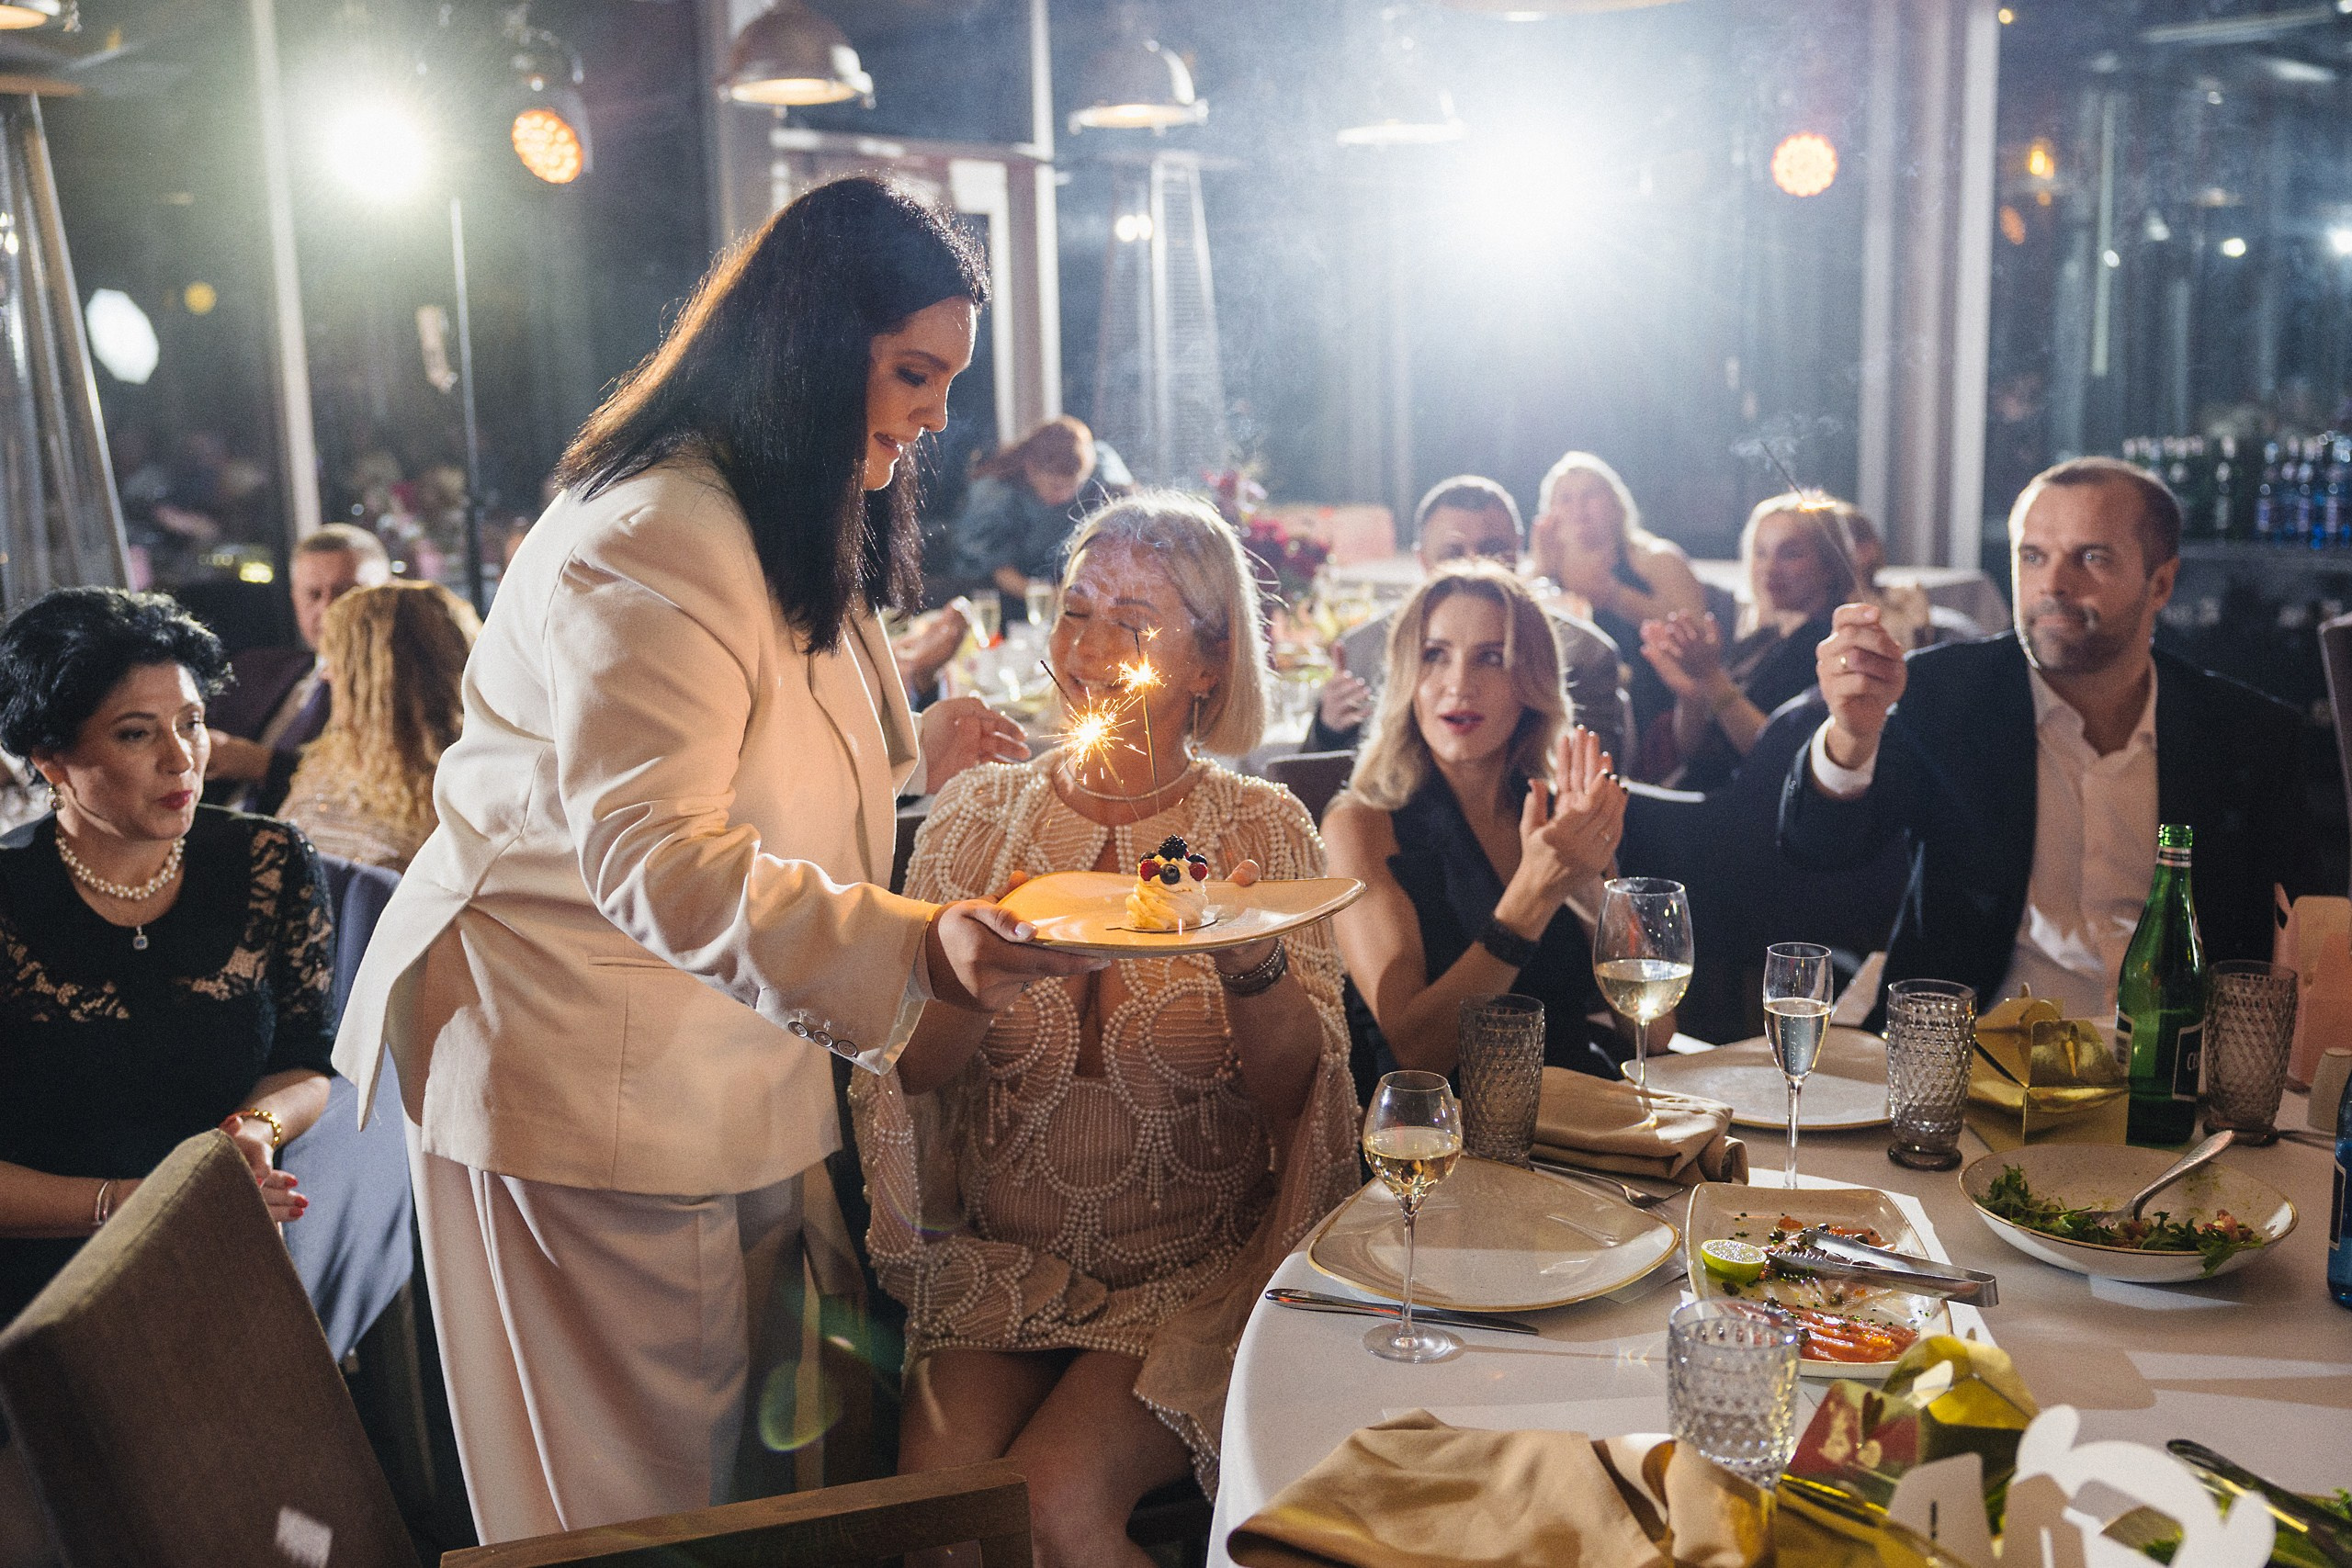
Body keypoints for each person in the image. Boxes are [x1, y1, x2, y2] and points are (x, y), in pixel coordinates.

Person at [328, 176, 1103, 1542]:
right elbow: (656, 848)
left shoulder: (763, 501)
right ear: (810, 343)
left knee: (734, 1495)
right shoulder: (657, 532)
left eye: (943, 382)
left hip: (710, 1055)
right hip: (585, 1074)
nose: (933, 418)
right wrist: (919, 945)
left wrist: (916, 746)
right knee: (638, 1508)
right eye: (913, 374)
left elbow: (743, 738)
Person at [854, 494, 1357, 1567]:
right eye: (1075, 608)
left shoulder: (1260, 830)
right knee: (936, 1536)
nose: (1087, 646)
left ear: (1209, 668)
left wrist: (1248, 961)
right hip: (1001, 1269)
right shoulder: (977, 816)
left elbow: (1297, 1102)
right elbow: (919, 1078)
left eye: (1132, 622)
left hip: (1185, 1274)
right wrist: (965, 978)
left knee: (1049, 1513)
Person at [1782, 457, 2313, 1024]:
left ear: (2160, 583)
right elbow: (1818, 847)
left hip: (2174, 1070)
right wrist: (1852, 733)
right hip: (1970, 1061)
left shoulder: (2246, 734)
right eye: (2033, 557)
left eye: (2092, 557)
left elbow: (2305, 937)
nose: (2054, 585)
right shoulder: (1944, 694)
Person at [0, 588, 328, 1322]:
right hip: (42, 1282)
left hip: (225, 1240)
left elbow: (309, 1057)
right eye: (135, 734)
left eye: (193, 722)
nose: (182, 758)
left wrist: (254, 1130)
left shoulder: (269, 860)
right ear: (51, 758)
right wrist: (128, 1204)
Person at [1324, 563, 1629, 1082]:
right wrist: (1532, 895)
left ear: (1530, 684)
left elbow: (1655, 1026)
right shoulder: (1360, 825)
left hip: (1581, 1118)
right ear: (1408, 678)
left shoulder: (1560, 814)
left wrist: (1587, 890)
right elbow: (1417, 1050)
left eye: (1491, 658)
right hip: (1437, 1141)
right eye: (1435, 655)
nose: (1459, 685)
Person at [1304, 476, 1626, 764]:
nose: (1474, 567)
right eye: (1453, 554)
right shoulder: (1363, 647)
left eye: (1492, 551)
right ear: (1423, 561)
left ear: (1517, 551)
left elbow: (1598, 786)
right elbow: (1313, 794)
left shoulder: (1582, 651)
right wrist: (1327, 729)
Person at [1638, 492, 1855, 792]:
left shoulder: (1828, 646)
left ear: (1829, 564)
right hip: (1701, 798)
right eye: (1761, 552)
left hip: (1745, 818)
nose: (1770, 567)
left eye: (1790, 554)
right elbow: (1692, 750)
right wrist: (1690, 693)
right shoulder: (1762, 638)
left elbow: (1779, 760)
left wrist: (1711, 678)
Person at [278, 581, 481, 872]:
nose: (325, 674)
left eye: (338, 661)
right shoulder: (330, 756)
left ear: (382, 677)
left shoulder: (466, 786)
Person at [203, 524, 392, 815]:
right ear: (295, 600)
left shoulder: (402, 691)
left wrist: (261, 764)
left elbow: (376, 788)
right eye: (314, 594)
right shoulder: (253, 669)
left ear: (389, 594)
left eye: (347, 593)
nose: (328, 608)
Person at [1526, 451, 1708, 743]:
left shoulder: (1657, 560)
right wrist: (1541, 573)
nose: (1578, 507)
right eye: (1565, 498)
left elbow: (1699, 642)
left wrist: (1613, 595)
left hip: (1659, 713)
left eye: (1589, 495)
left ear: (1615, 503)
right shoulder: (1540, 573)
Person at [948, 416, 1097, 612]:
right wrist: (1055, 597)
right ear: (1031, 469)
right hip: (993, 595)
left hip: (1053, 591)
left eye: (1077, 485)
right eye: (1057, 486)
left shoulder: (1100, 469)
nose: (1067, 495)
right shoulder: (993, 495)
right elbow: (997, 569)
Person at [1838, 505, 1984, 649]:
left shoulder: (1904, 598)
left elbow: (1918, 652)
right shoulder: (1824, 609)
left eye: (1838, 543)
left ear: (1867, 549)